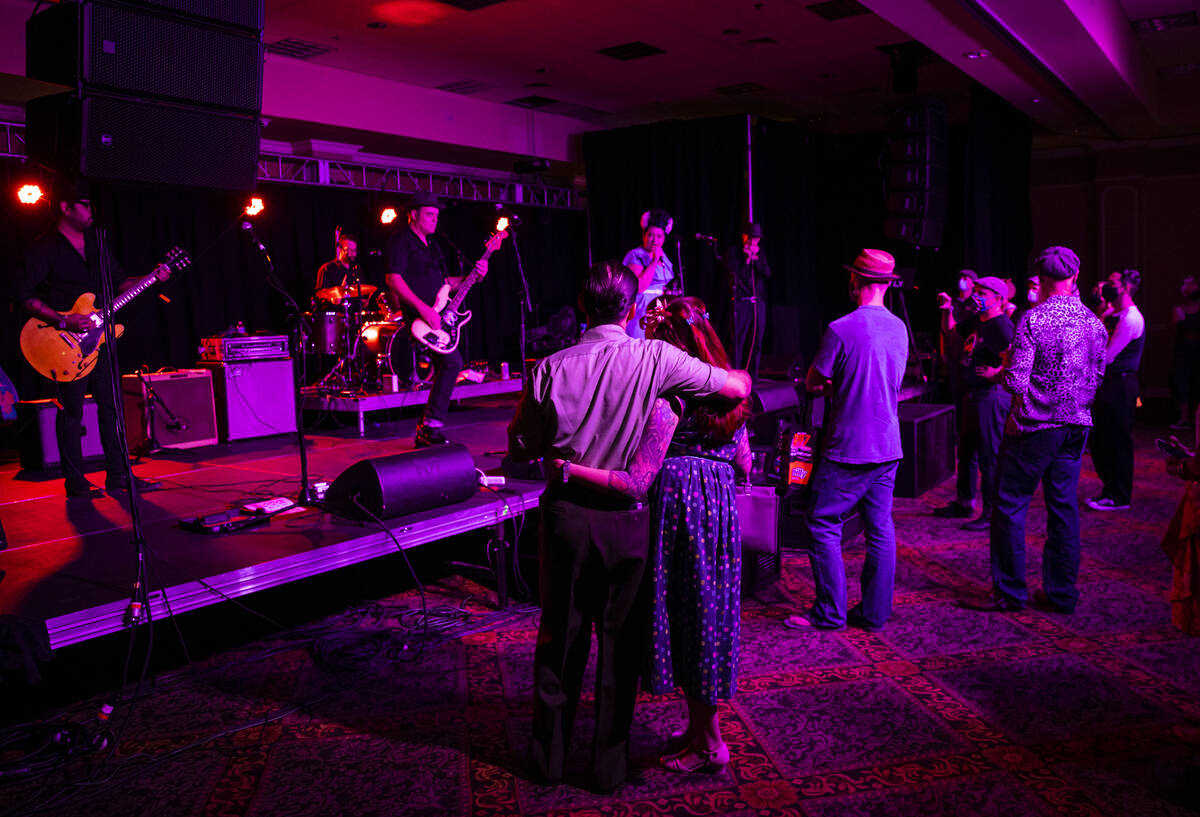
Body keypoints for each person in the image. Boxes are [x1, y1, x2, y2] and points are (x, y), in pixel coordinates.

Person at [508, 262, 751, 792]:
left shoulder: (549, 367)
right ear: (633, 305)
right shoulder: (657, 358)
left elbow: (521, 444)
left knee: (560, 641)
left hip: (567, 516)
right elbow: (732, 386)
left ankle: (547, 761)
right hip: (628, 523)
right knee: (620, 646)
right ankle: (608, 768)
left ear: (581, 305)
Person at [968, 246, 1106, 613]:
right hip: (1076, 426)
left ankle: (1011, 594)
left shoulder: (1033, 319)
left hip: (1034, 426)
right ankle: (1061, 594)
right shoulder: (1094, 322)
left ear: (1041, 279)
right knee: (1063, 509)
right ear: (1075, 277)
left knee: (1011, 505)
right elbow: (1099, 376)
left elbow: (1014, 382)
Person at [15, 178, 170, 498]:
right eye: (85, 205)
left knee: (112, 407)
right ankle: (75, 482)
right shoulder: (44, 247)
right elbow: (24, 295)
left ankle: (119, 475)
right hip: (61, 341)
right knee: (70, 411)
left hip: (99, 341)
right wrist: (63, 319)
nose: (92, 211)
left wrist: (153, 277)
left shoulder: (98, 244)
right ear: (65, 207)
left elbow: (122, 283)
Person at [785, 249, 908, 631]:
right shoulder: (899, 328)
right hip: (888, 445)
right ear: (887, 284)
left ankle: (830, 612)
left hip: (849, 446)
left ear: (855, 280)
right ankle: (873, 614)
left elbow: (811, 382)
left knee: (822, 522)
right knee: (880, 529)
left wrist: (836, 383)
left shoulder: (841, 328)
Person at [385, 192, 485, 447]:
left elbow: (445, 284)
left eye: (437, 216)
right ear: (414, 214)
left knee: (451, 364)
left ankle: (429, 427)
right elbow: (393, 279)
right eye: (430, 214)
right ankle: (429, 427)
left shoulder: (435, 246)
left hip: (439, 315)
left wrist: (472, 276)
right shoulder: (401, 241)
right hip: (421, 317)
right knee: (452, 362)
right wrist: (423, 309)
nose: (434, 220)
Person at [934, 276, 1015, 530]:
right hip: (972, 394)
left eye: (982, 293)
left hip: (991, 396)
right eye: (976, 291)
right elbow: (951, 331)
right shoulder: (976, 322)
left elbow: (1017, 355)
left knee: (990, 455)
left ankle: (991, 512)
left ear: (999, 300)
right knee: (967, 451)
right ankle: (964, 502)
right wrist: (947, 309)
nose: (976, 296)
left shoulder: (1002, 326)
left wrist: (997, 372)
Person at [1087, 268, 1144, 512]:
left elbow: (1107, 356)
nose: (1105, 288)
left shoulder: (1131, 318)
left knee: (1118, 440)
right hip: (1106, 384)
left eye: (1111, 283)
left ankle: (1119, 495)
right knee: (1101, 439)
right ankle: (1109, 489)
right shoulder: (1112, 313)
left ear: (1126, 288)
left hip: (1121, 383)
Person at [722, 223, 771, 379]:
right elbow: (738, 275)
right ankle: (734, 374)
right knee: (738, 340)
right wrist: (747, 259)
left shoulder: (760, 252)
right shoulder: (734, 252)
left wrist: (756, 260)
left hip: (758, 302)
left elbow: (767, 273)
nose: (753, 242)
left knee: (757, 339)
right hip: (741, 302)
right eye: (750, 238)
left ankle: (753, 376)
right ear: (744, 236)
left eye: (756, 239)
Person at [622, 209, 675, 339]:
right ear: (644, 235)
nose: (654, 240)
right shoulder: (636, 255)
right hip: (641, 308)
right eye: (651, 235)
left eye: (659, 236)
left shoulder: (664, 256)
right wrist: (654, 261)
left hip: (660, 309)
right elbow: (639, 287)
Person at [1169, 276, 1200, 431]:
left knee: (1197, 383)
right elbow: (1175, 329)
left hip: (1198, 349)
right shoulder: (1179, 309)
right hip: (1183, 350)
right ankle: (1184, 417)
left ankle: (1197, 419)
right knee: (1182, 382)